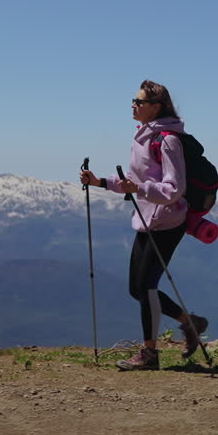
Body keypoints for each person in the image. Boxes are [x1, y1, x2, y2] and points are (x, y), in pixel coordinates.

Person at [80, 80, 208, 370]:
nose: (133, 105)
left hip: (167, 221)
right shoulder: (143, 137)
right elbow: (133, 180)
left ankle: (149, 355)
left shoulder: (167, 140)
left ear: (156, 107)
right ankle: (190, 322)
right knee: (136, 289)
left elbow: (174, 189)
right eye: (134, 101)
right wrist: (99, 181)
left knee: (147, 287)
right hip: (146, 219)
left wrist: (138, 189)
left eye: (138, 102)